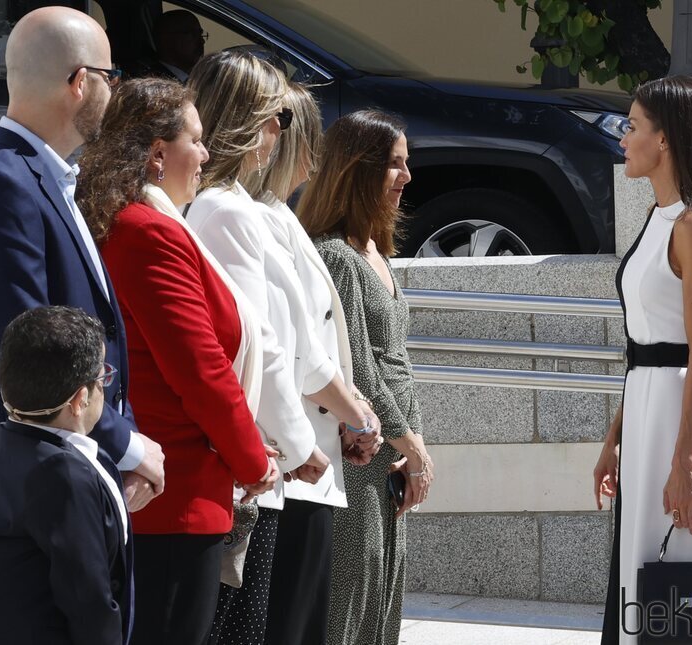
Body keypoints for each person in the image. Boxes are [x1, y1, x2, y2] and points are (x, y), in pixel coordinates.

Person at [76, 77, 284, 645]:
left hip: (178, 492)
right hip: (175, 498)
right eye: (197, 139)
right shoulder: (146, 232)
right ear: (158, 153)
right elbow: (199, 368)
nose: (208, 154)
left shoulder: (144, 224)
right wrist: (251, 460)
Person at [0, 6, 164, 510]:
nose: (116, 92)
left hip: (67, 478)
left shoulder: (43, 178)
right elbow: (32, 351)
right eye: (113, 77)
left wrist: (124, 445)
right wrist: (127, 446)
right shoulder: (1, 185)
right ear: (80, 82)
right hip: (29, 497)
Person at [186, 51, 354, 645]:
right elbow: (263, 346)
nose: (283, 132)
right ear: (244, 119)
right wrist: (300, 443)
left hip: (274, 459)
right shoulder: (225, 210)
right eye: (275, 116)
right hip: (266, 459)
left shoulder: (235, 207)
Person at [594, 76, 692, 644]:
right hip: (649, 418)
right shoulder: (659, 216)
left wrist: (684, 462)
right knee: (651, 595)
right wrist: (615, 437)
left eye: (633, 126)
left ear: (665, 141)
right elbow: (645, 345)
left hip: (684, 430)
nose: (623, 137)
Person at [242, 82, 384, 645]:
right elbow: (292, 352)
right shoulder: (250, 216)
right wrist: (359, 415)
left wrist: (352, 413)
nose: (313, 158)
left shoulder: (278, 215)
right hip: (295, 459)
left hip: (313, 458)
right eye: (307, 140)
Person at [298, 109, 435, 645]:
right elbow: (362, 373)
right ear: (359, 169)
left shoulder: (373, 251)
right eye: (394, 165)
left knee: (382, 604)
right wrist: (416, 449)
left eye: (406, 163)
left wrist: (411, 447)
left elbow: (396, 364)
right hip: (360, 457)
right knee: (351, 606)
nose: (407, 176)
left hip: (392, 456)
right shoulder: (336, 257)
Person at [0, 306, 132, 645]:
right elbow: (89, 601)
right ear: (80, 399)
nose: (105, 386)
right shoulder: (63, 474)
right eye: (103, 378)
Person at [150, 9, 205, 81]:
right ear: (166, 39)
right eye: (192, 34)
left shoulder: (195, 80)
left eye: (200, 34)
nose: (202, 41)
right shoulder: (156, 83)